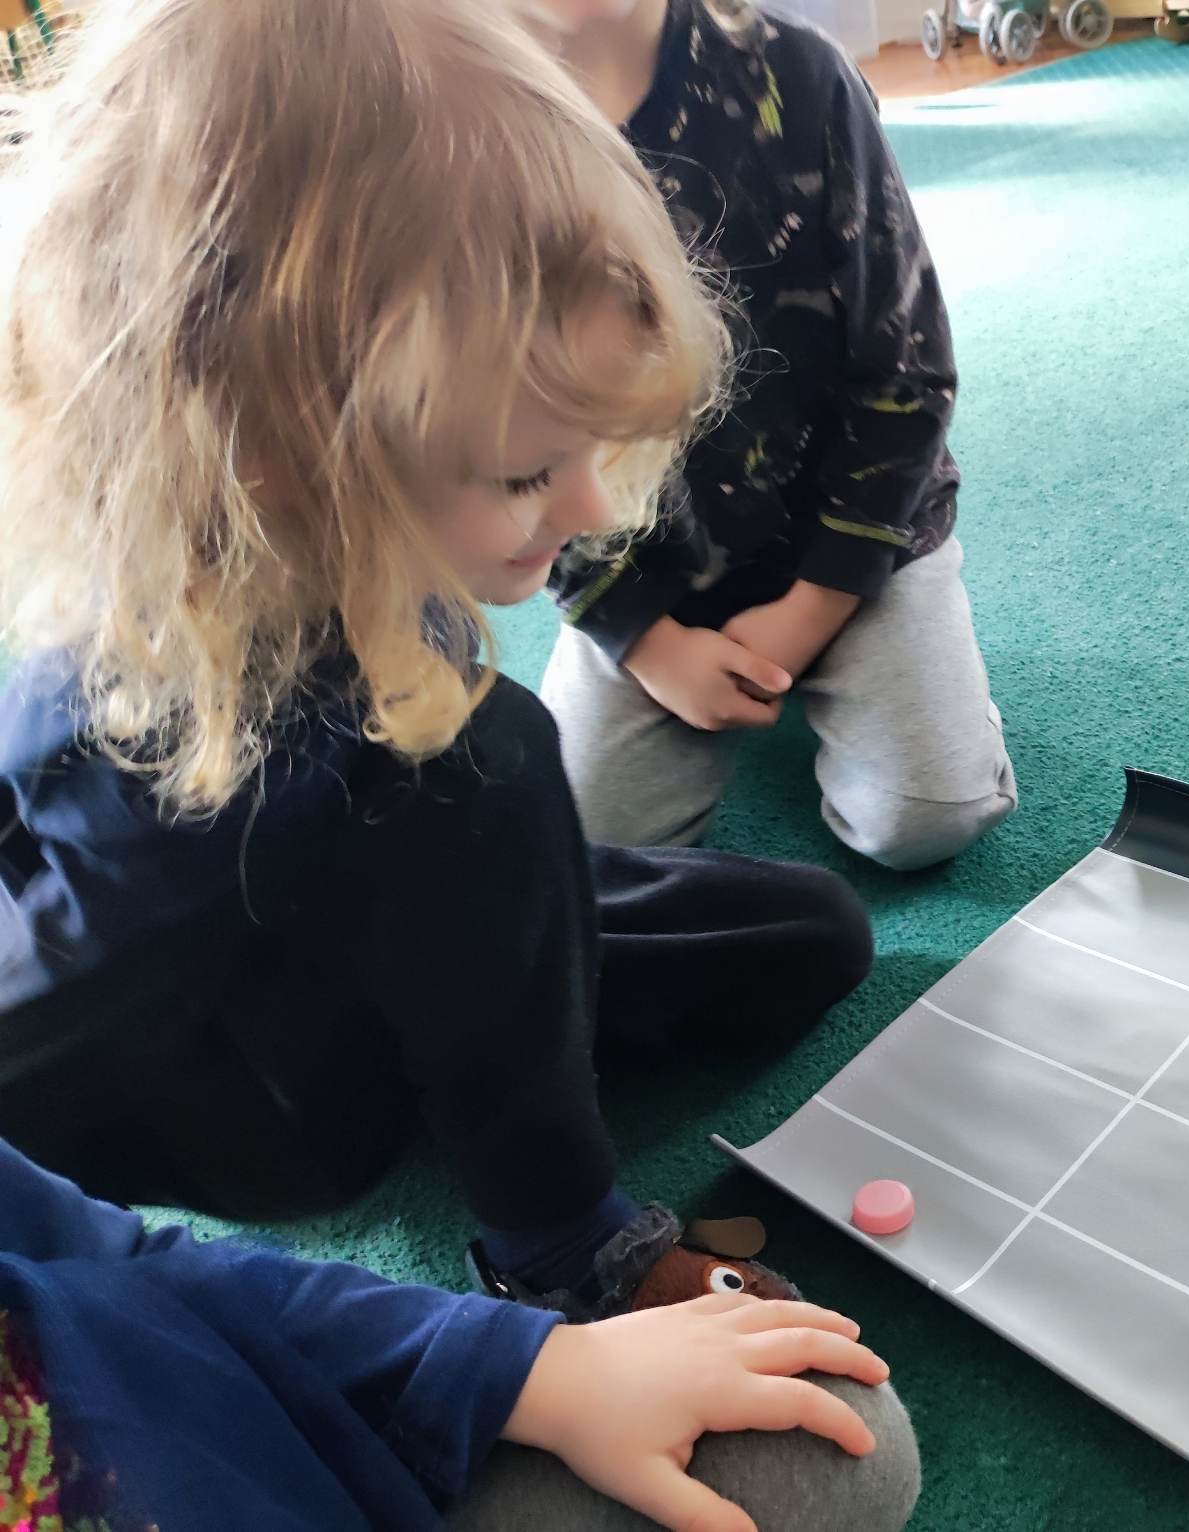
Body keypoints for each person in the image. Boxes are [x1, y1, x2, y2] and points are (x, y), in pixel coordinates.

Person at [0, 0, 873, 1324]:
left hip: (356, 911)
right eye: (527, 473)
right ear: (280, 452)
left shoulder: (319, 546)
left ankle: (476, 1030)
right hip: (270, 1095)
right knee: (485, 760)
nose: (592, 507)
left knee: (801, 934)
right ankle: (564, 1248)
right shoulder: (157, 747)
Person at [525, 0, 1019, 871]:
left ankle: (890, 662)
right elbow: (494, 440)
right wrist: (644, 638)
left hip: (851, 531)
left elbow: (909, 366)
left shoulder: (799, 72)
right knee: (586, 846)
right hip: (639, 561)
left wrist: (816, 605)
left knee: (925, 819)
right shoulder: (463, 130)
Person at [0, 1137, 920, 1532]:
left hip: (307, 1456)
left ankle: (568, 1253)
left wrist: (535, 1367)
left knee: (829, 1428)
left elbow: (120, 1259)